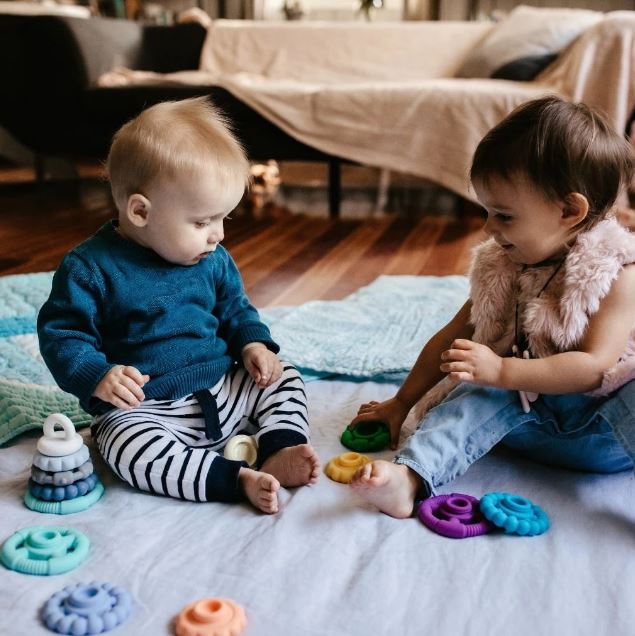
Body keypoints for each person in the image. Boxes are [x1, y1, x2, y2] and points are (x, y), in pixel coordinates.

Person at [349, 96, 635, 518]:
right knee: (476, 386)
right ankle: (409, 478)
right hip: (524, 422)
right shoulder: (503, 266)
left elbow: (594, 366)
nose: (488, 228)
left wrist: (504, 369)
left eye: (503, 216)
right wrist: (401, 401)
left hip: (603, 434)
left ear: (570, 210)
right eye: (487, 211)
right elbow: (452, 339)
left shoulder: (616, 272)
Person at [37, 97, 320, 514]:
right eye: (202, 222)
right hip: (148, 409)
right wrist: (98, 376)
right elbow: (62, 334)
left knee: (286, 377)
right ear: (140, 211)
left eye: (224, 219)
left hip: (224, 387)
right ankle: (230, 479)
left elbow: (236, 309)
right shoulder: (89, 268)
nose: (217, 235)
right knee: (122, 445)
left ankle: (279, 446)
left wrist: (253, 346)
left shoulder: (212, 258)